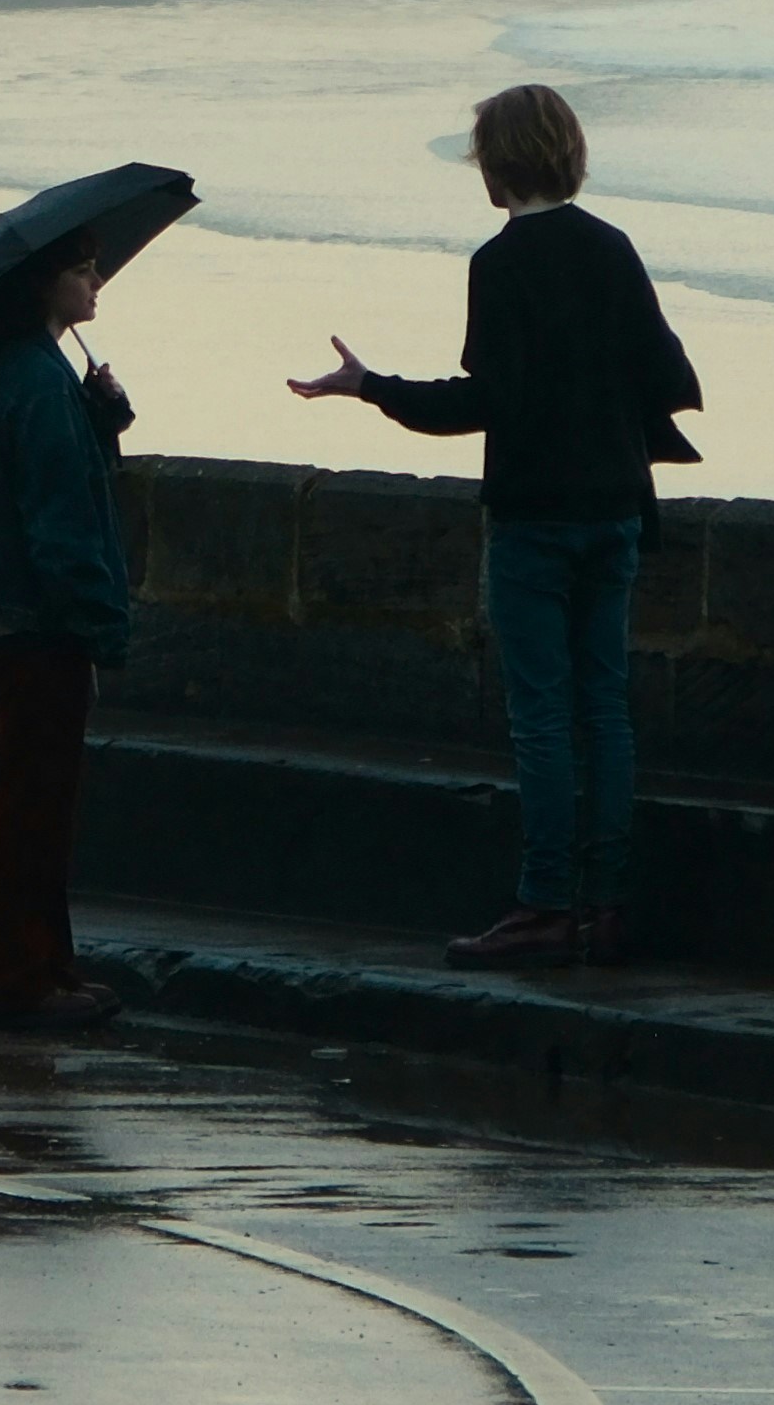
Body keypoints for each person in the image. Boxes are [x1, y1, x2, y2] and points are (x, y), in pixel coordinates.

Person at [289, 84, 704, 969]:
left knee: (544, 719)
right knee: (607, 712)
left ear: (497, 163)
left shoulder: (501, 263)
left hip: (535, 519)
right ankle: (608, 906)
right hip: (618, 513)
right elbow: (670, 374)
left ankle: (547, 903)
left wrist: (371, 387)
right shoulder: (613, 248)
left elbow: (482, 401)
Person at [0, 249, 141, 1031]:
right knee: (31, 806)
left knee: (37, 801)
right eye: (83, 268)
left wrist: (103, 418)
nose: (98, 280)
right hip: (40, 625)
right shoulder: (36, 380)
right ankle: (16, 977)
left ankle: (45, 966)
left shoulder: (31, 369)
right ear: (42, 282)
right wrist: (100, 621)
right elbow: (60, 521)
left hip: (23, 620)